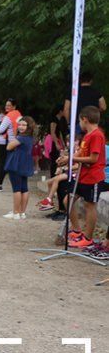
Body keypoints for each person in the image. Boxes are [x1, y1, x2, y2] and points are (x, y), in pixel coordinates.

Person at [62, 106, 106, 248]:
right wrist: (67, 158)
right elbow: (81, 155)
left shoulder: (97, 135)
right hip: (82, 176)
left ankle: (88, 237)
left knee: (90, 206)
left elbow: (93, 159)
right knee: (67, 200)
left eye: (80, 120)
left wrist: (72, 159)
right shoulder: (87, 136)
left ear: (84, 119)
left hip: (93, 177)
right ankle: (77, 230)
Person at [2, 116, 36, 220]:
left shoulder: (21, 138)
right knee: (24, 188)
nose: (20, 127)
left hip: (16, 164)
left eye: (24, 125)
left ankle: (16, 212)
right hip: (25, 164)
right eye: (20, 124)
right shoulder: (30, 138)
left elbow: (8, 147)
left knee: (16, 189)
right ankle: (22, 212)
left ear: (29, 126)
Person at [0, 99, 20, 191]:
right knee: (13, 163)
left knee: (3, 164)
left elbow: (0, 129)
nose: (6, 107)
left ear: (14, 106)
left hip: (7, 143)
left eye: (9, 105)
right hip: (17, 142)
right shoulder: (19, 115)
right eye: (6, 105)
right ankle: (17, 185)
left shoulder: (8, 116)